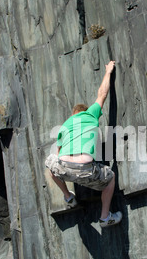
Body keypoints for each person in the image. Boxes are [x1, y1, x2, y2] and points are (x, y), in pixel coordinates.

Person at [45, 60, 122, 228]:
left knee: (51, 165)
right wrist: (108, 71)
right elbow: (102, 94)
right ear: (85, 111)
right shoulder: (90, 114)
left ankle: (68, 197)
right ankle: (105, 217)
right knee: (110, 178)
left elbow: (58, 154)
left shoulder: (65, 125)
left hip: (64, 167)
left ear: (73, 114)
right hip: (85, 168)